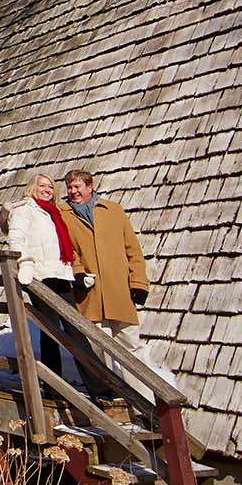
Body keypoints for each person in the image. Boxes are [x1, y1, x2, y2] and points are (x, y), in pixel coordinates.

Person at [59, 169, 173, 395]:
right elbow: (67, 249)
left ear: (90, 187)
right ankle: (108, 397)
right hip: (89, 294)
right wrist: (78, 272)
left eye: (77, 187)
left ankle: (145, 400)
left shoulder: (113, 211)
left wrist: (139, 283)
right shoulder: (63, 214)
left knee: (132, 348)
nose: (73, 192)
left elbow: (133, 250)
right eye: (69, 188)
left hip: (119, 291)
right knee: (96, 349)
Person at [5, 173, 75, 374]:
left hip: (61, 274)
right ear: (32, 187)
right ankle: (54, 384)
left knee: (76, 329)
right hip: (40, 276)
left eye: (50, 187)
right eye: (42, 186)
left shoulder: (55, 213)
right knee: (50, 331)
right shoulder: (24, 210)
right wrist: (24, 262)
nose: (47, 190)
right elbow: (16, 238)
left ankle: (99, 387)